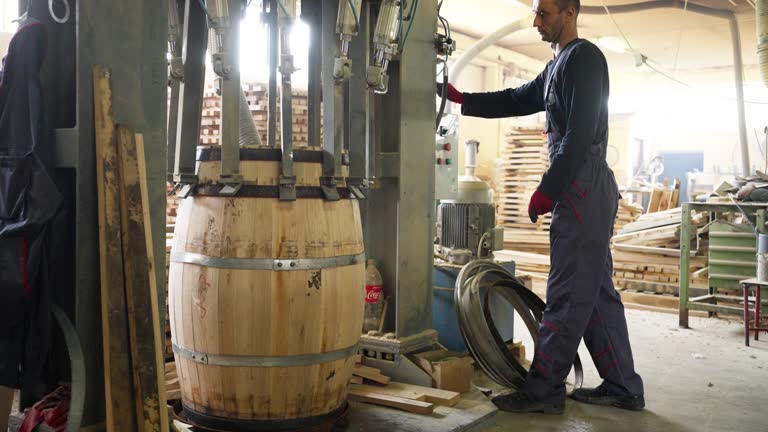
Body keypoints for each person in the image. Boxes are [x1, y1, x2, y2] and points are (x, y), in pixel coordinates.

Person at [437, 0, 644, 415]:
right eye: (536, 12)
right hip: (581, 185)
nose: (536, 21)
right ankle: (623, 385)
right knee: (596, 293)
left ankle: (544, 390)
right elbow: (518, 98)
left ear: (569, 13)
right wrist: (462, 99)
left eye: (544, 13)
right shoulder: (556, 66)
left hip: (582, 184)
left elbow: (581, 133)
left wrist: (548, 189)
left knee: (567, 292)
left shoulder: (584, 59)